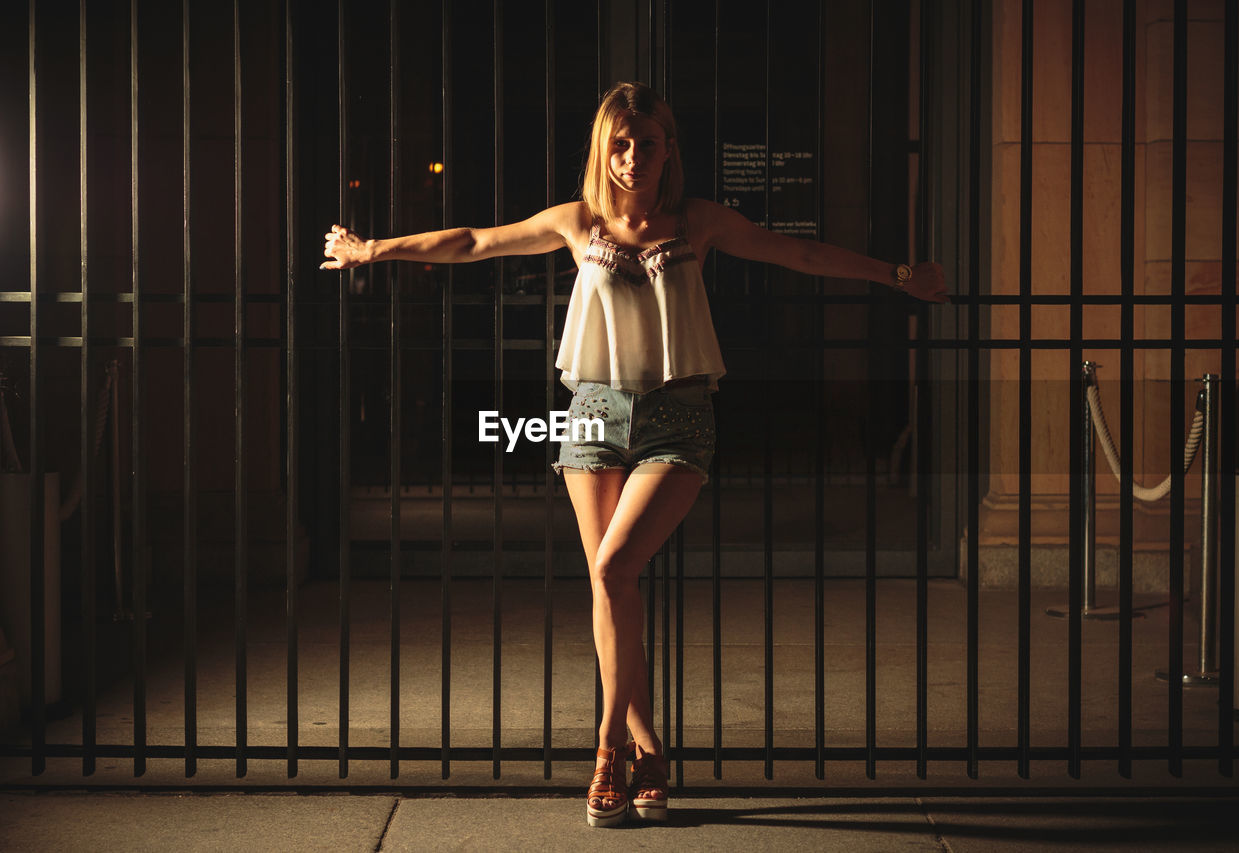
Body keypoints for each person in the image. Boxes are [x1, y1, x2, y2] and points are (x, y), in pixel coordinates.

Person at [321, 80, 947, 826]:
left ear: (668, 150)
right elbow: (475, 242)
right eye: (619, 143)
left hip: (678, 417)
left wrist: (897, 275)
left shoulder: (699, 221)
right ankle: (651, 750)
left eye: (647, 142)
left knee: (615, 569)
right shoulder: (574, 222)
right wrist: (373, 250)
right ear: (602, 149)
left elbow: (798, 252)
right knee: (611, 586)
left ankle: (608, 749)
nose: (632, 156)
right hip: (592, 411)